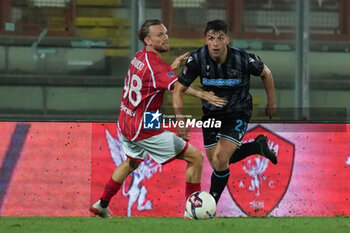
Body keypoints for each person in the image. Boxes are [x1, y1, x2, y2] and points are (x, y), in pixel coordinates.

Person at [89, 19, 226, 218]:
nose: (165, 37)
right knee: (196, 158)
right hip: (144, 127)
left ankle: (102, 204)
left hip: (127, 121)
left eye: (166, 33)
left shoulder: (139, 57)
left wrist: (171, 66)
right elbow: (178, 87)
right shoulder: (158, 68)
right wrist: (206, 95)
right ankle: (192, 212)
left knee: (131, 163)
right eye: (160, 34)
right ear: (148, 40)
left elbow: (152, 80)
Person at [172, 20, 277, 204]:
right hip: (212, 113)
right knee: (216, 162)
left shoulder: (243, 59)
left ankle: (211, 205)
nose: (215, 43)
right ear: (205, 40)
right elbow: (178, 89)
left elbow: (266, 72)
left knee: (221, 158)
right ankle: (256, 147)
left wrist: (271, 101)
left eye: (220, 38)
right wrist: (180, 122)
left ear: (227, 39)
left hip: (238, 111)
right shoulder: (197, 59)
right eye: (211, 38)